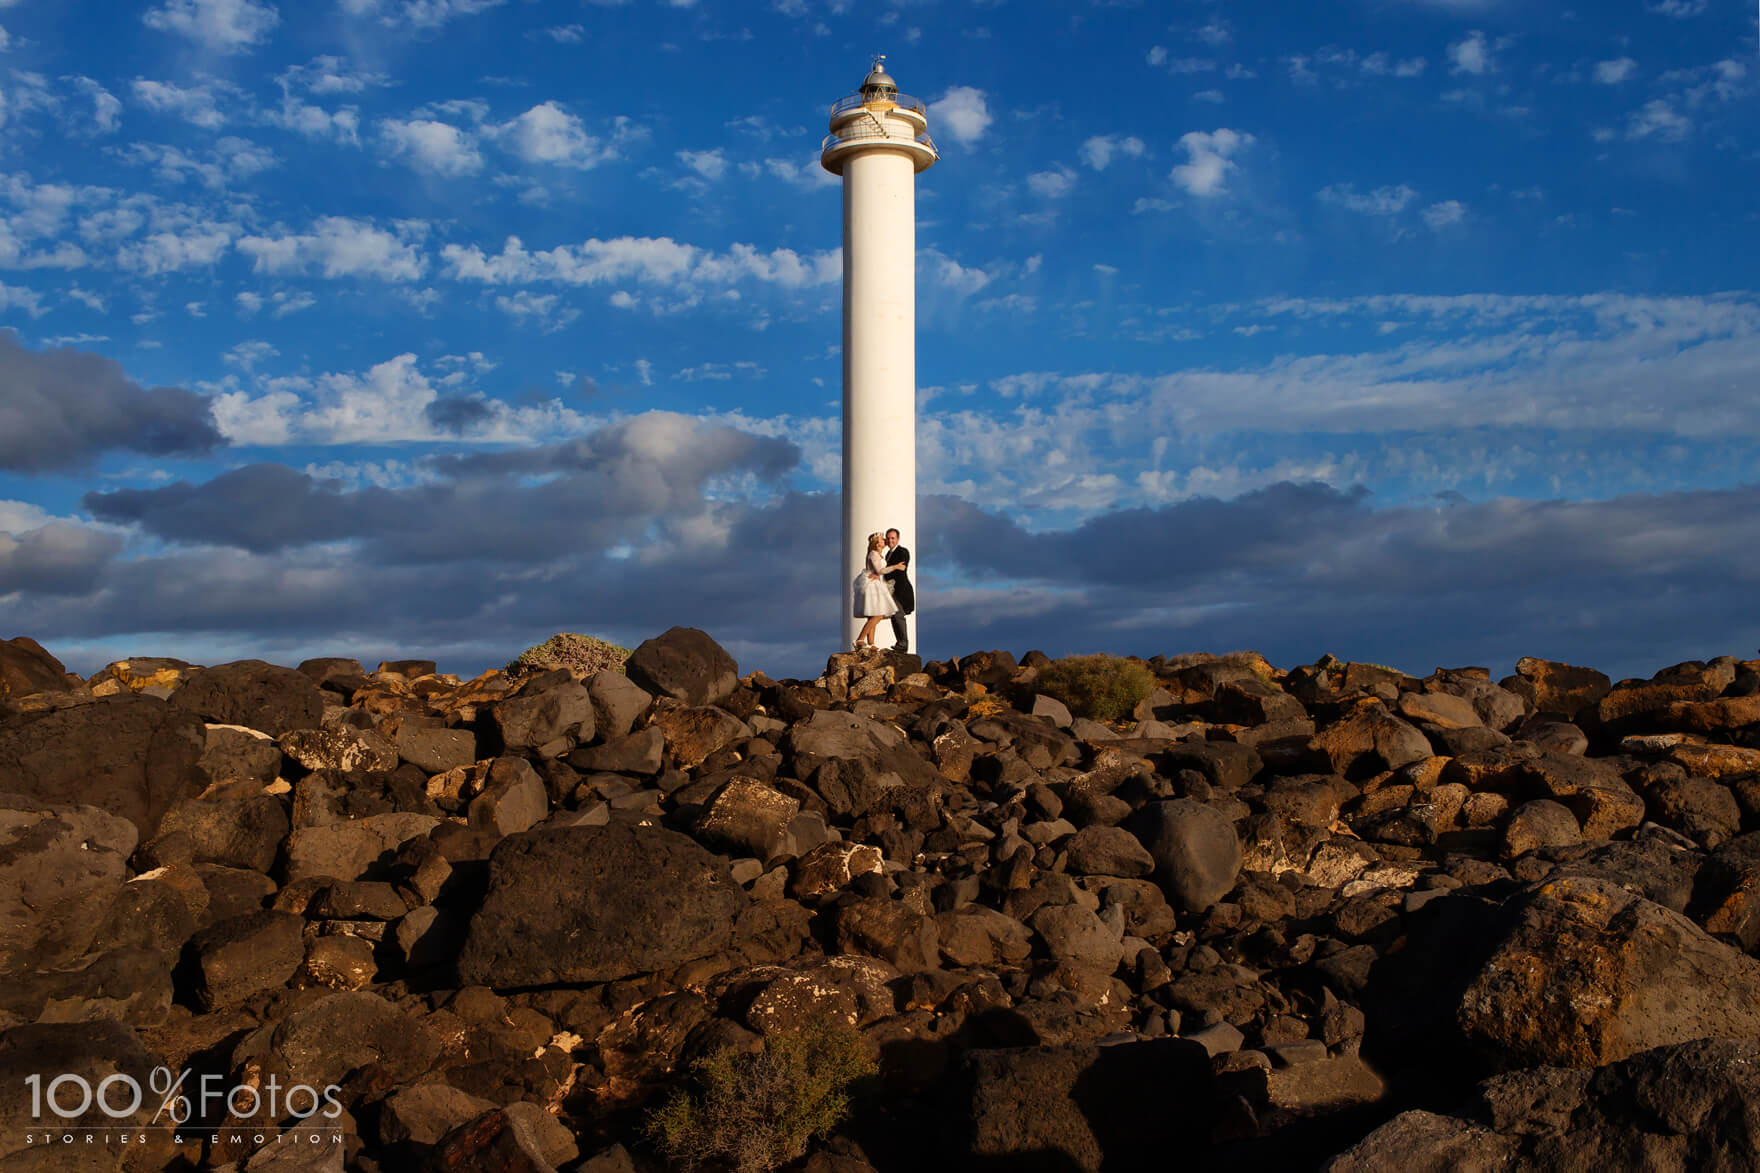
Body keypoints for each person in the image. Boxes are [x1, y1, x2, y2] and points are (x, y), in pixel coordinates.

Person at [852, 531, 898, 649]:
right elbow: (879, 570)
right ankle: (860, 639)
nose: (884, 541)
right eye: (882, 540)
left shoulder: (878, 554)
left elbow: (877, 570)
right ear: (876, 543)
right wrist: (895, 567)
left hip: (876, 583)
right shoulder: (873, 554)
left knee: (873, 614)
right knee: (878, 615)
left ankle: (871, 642)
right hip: (872, 586)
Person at [883, 527, 914, 653]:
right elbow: (893, 569)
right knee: (894, 617)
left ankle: (903, 644)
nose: (890, 541)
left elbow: (901, 569)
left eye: (893, 538)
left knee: (898, 615)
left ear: (898, 539)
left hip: (900, 589)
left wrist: (885, 572)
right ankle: (900, 643)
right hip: (891, 589)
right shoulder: (888, 554)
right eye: (888, 538)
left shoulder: (902, 551)